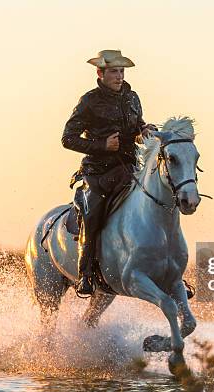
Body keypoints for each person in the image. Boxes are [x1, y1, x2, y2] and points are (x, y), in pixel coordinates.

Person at [61, 50, 157, 295]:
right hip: (98, 173)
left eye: (121, 71)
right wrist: (101, 146)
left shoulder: (132, 97)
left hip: (129, 168)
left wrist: (143, 130)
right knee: (92, 216)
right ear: (100, 73)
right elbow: (67, 139)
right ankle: (85, 274)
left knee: (158, 202)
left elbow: (135, 127)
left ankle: (166, 268)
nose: (119, 76)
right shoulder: (89, 101)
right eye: (114, 71)